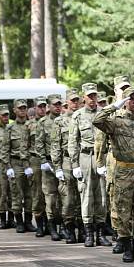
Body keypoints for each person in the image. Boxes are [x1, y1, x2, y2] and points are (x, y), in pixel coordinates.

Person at [93, 86, 134, 262]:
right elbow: (97, 120)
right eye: (131, 98)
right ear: (125, 101)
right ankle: (127, 247)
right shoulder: (115, 122)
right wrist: (114, 106)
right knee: (123, 211)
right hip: (123, 171)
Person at [69, 83, 111, 247]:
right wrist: (75, 165)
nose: (93, 99)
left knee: (101, 195)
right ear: (84, 97)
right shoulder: (77, 116)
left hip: (101, 157)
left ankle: (101, 234)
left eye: (95, 95)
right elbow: (73, 141)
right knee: (86, 196)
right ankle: (88, 234)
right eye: (90, 96)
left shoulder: (103, 114)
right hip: (85, 157)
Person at [52, 89, 83, 244]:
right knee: (68, 199)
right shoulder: (60, 121)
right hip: (66, 162)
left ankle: (83, 230)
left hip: (82, 160)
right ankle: (69, 230)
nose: (75, 103)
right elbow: (55, 145)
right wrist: (57, 167)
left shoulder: (84, 117)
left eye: (77, 100)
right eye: (72, 100)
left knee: (82, 197)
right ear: (67, 102)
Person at [4, 99, 37, 234]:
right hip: (16, 163)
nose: (22, 110)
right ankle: (19, 222)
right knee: (17, 193)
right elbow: (5, 149)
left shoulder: (33, 125)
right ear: (14, 110)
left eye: (24, 108)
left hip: (30, 162)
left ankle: (28, 221)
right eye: (20, 108)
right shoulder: (10, 128)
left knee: (31, 194)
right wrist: (8, 167)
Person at [35, 94, 64, 241]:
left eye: (59, 104)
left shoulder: (65, 121)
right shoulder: (42, 122)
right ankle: (52, 227)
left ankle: (63, 227)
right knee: (51, 197)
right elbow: (38, 143)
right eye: (54, 104)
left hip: (63, 163)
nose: (58, 107)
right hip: (49, 163)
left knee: (64, 196)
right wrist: (42, 160)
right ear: (49, 107)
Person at [29, 97, 48, 236]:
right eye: (39, 107)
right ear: (35, 108)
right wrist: (26, 165)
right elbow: (24, 145)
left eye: (44, 106)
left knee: (51, 192)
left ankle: (50, 223)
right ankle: (40, 224)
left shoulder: (51, 122)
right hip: (35, 160)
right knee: (38, 192)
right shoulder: (29, 125)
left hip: (49, 160)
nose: (42, 109)